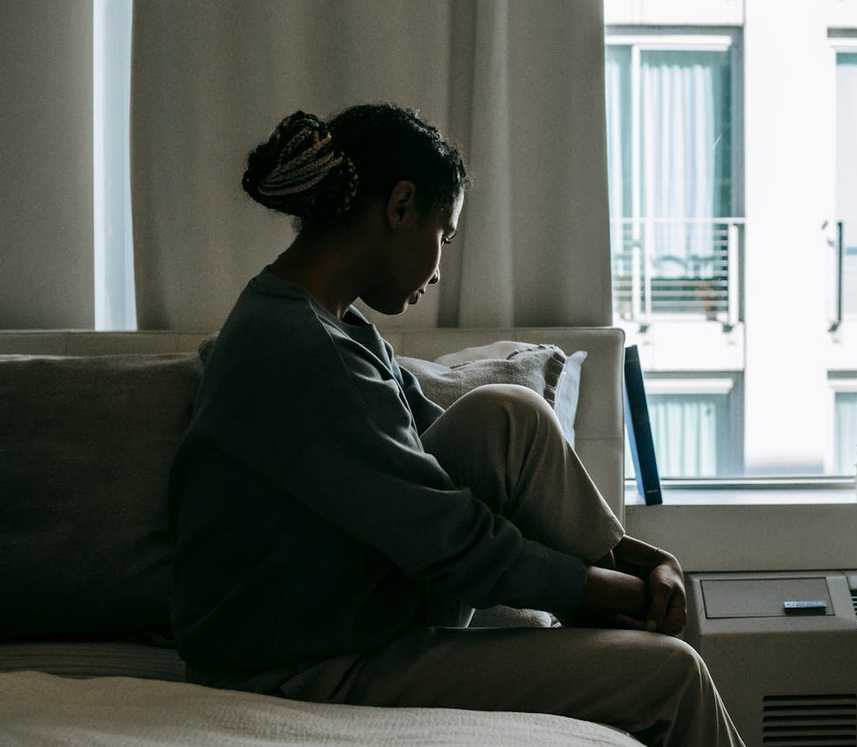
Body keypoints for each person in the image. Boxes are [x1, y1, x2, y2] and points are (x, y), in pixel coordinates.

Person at [168, 103, 744, 747]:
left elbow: (461, 466)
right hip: (299, 671)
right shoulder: (304, 349)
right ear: (400, 206)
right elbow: (456, 540)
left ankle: (628, 601)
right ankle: (638, 619)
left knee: (510, 415)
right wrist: (626, 594)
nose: (439, 269)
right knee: (674, 675)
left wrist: (645, 560)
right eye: (443, 235)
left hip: (352, 618)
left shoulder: (334, 326)